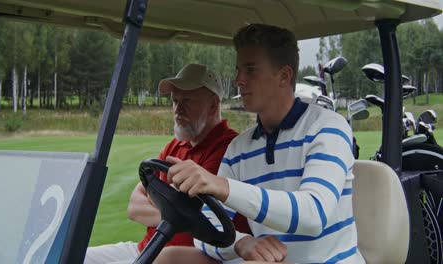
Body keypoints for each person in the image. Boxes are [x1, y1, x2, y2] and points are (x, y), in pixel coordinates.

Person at [154, 24, 365, 263]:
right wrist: (241, 243)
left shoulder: (328, 127)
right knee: (167, 258)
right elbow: (204, 227)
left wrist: (222, 186)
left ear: (284, 76)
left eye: (250, 70)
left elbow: (314, 214)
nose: (238, 81)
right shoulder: (239, 148)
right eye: (238, 70)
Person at [84, 63, 250, 264]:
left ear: (213, 105)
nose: (178, 109)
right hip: (147, 247)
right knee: (70, 256)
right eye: (175, 101)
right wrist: (170, 211)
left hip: (187, 257)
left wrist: (160, 201)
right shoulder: (176, 146)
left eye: (187, 100)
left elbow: (195, 215)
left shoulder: (227, 148)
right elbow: (135, 206)